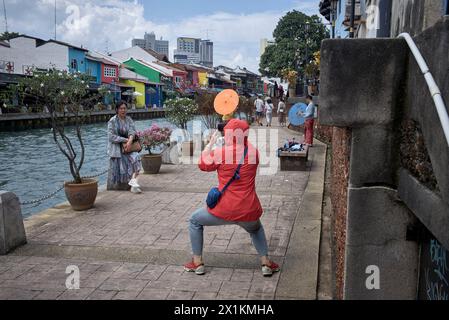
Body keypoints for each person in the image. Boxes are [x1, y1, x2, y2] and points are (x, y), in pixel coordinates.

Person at [184, 119, 280, 277]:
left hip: (222, 210)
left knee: (195, 220)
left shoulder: (220, 153)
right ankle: (266, 264)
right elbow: (242, 148)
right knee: (256, 229)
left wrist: (211, 143)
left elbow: (203, 164)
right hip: (248, 210)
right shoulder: (253, 152)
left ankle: (197, 262)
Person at [107, 101, 142, 193]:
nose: (123, 110)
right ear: (117, 110)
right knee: (122, 166)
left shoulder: (129, 119)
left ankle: (133, 182)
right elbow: (111, 137)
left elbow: (132, 131)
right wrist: (125, 140)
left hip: (129, 148)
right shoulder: (112, 121)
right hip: (117, 149)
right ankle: (131, 186)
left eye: (124, 108)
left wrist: (130, 140)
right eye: (121, 108)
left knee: (136, 158)